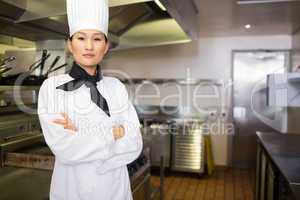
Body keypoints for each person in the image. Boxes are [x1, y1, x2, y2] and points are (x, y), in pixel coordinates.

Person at [37, 0, 143, 199]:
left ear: (106, 46)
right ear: (70, 44)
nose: (88, 46)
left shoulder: (116, 87)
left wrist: (81, 134)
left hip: (115, 191)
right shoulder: (51, 88)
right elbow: (65, 149)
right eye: (81, 38)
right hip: (70, 191)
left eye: (96, 39)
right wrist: (114, 133)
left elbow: (134, 143)